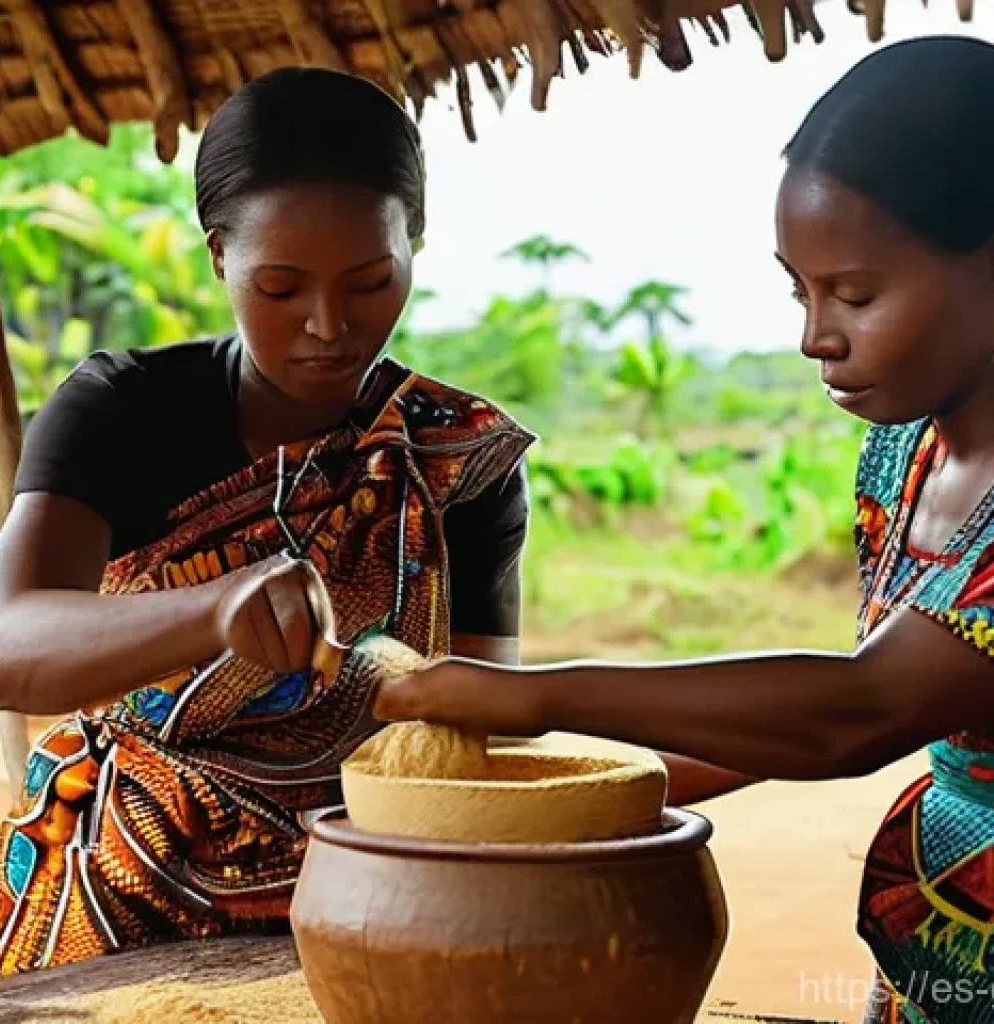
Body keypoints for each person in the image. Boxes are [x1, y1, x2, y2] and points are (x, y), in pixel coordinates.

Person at [374, 36, 994, 1023]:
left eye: (856, 294)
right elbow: (852, 689)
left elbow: (862, 711)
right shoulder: (904, 457)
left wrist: (531, 699)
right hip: (938, 959)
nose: (814, 337)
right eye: (800, 290)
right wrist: (546, 800)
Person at [0, 67, 533, 980]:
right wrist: (214, 608)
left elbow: (473, 728)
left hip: (362, 897)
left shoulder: (452, 460)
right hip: (117, 891)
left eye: (370, 281)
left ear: (415, 245)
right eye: (280, 287)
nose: (328, 326)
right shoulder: (120, 411)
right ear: (217, 258)